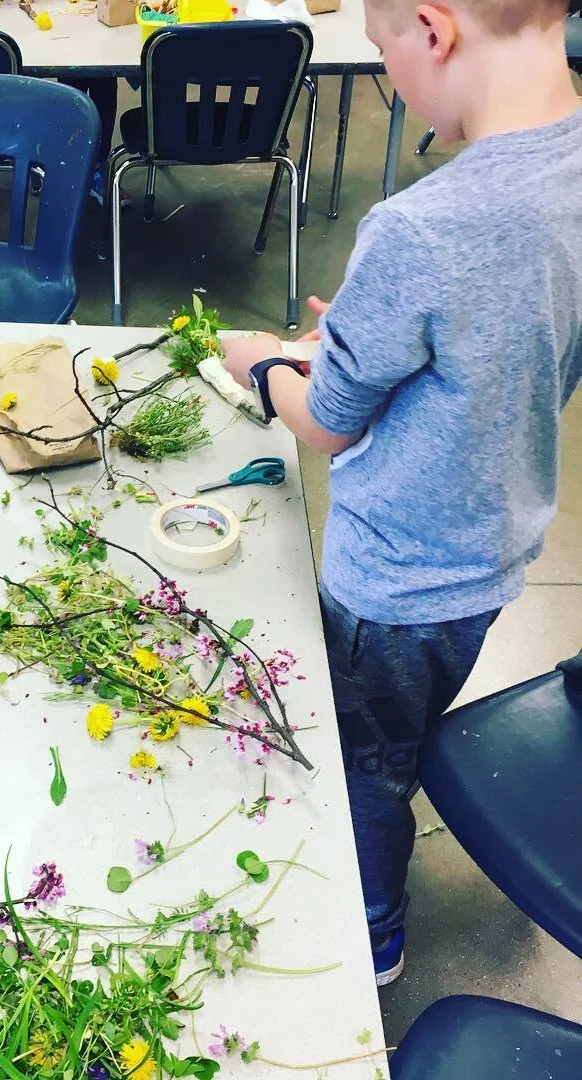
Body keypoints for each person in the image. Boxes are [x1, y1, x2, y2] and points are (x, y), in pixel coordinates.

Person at [221, 0, 582, 987]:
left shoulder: (420, 228)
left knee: (365, 760)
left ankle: (371, 934)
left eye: (383, 55)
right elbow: (529, 343)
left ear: (433, 28)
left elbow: (326, 422)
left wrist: (265, 364)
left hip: (396, 581)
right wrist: (383, 335)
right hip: (496, 549)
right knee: (409, 723)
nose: (389, 82)